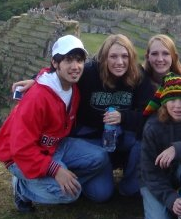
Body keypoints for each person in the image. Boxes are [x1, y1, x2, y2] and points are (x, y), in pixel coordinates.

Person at [13, 34, 156, 197]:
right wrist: (36, 80)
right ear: (103, 58)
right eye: (113, 56)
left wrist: (123, 117)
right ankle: (53, 182)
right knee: (100, 195)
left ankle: (130, 184)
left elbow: (148, 113)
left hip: (122, 136)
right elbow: (61, 74)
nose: (119, 62)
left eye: (125, 56)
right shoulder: (90, 73)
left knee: (142, 140)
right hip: (92, 138)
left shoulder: (137, 75)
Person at [0, 35, 111, 212]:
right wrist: (55, 170)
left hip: (54, 145)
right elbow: (20, 148)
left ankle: (53, 182)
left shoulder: (73, 87)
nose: (75, 66)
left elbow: (45, 74)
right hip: (19, 156)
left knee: (100, 157)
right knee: (70, 194)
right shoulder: (37, 98)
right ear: (55, 63)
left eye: (79, 60)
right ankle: (22, 188)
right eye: (68, 60)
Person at [139, 74, 181, 219]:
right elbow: (148, 172)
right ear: (164, 102)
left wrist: (177, 149)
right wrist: (171, 199)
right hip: (155, 179)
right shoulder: (153, 126)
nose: (177, 105)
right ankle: (175, 204)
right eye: (172, 100)